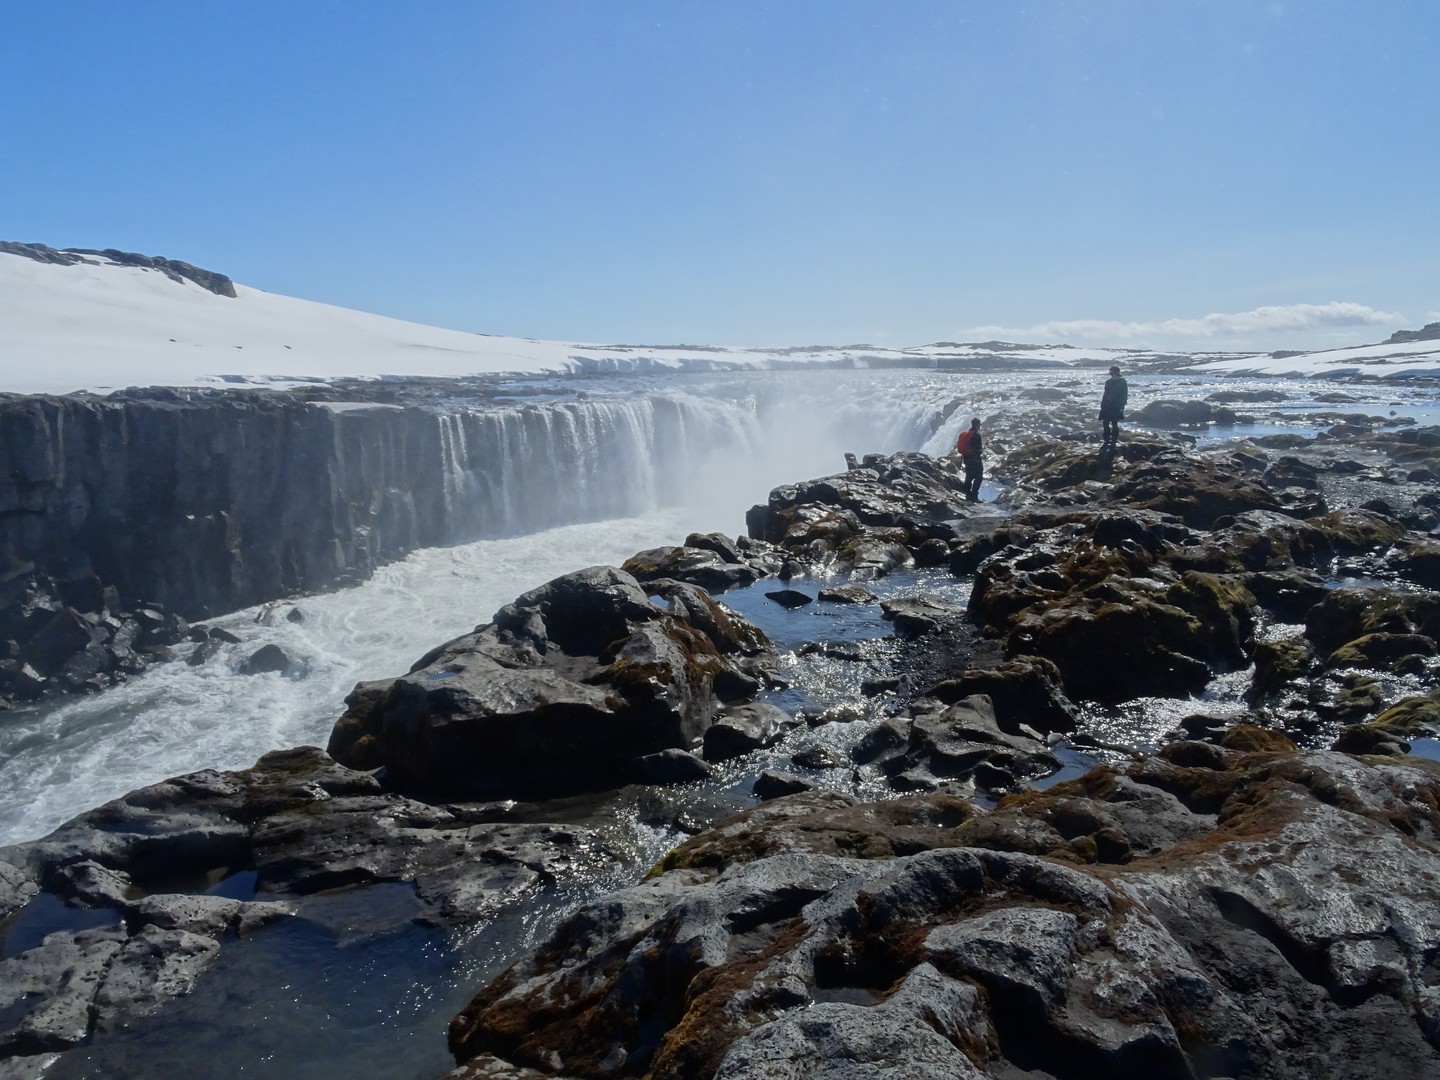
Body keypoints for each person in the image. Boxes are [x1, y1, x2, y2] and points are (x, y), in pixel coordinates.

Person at [955, 417, 983, 502]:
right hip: (975, 459)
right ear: (978, 425)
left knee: (969, 476)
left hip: (966, 458)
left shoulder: (966, 434)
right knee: (979, 477)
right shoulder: (976, 435)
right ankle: (974, 496)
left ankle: (967, 495)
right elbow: (978, 448)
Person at [1099, 365, 1128, 447]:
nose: (1111, 375)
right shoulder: (1108, 382)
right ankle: (1106, 439)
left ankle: (1114, 440)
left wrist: (1122, 406)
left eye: (1112, 373)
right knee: (1105, 422)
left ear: (1116, 373)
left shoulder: (1122, 382)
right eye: (1110, 373)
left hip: (1116, 406)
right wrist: (1102, 405)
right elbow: (1105, 394)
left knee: (1114, 423)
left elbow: (1124, 395)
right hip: (1106, 405)